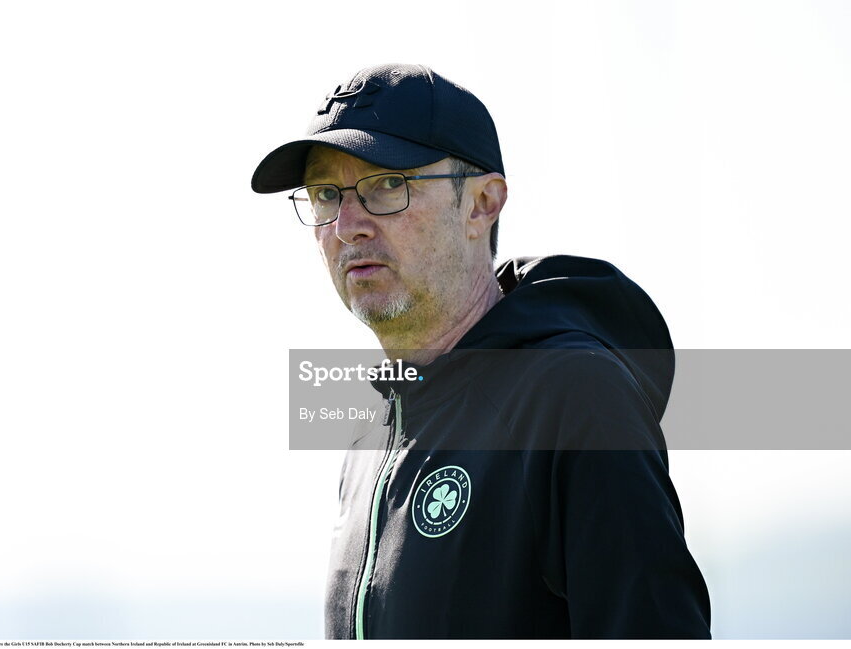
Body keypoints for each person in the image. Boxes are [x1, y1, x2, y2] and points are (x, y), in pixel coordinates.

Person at [251, 63, 711, 639]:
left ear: (482, 204)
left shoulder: (574, 397)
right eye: (325, 194)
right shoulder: (372, 432)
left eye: (389, 184)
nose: (347, 225)